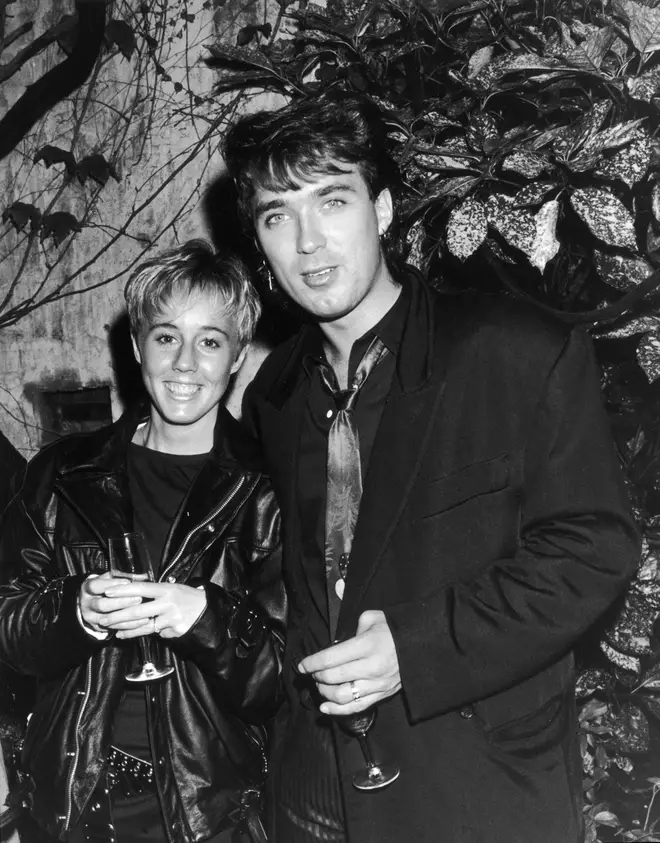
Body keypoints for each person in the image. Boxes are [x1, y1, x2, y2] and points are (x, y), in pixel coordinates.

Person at [222, 92, 640, 843]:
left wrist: (416, 650)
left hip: (475, 790)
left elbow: (592, 548)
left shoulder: (514, 351)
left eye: (333, 200)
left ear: (381, 211)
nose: (310, 243)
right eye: (278, 216)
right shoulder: (274, 395)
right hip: (311, 794)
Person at [0, 241, 286, 843]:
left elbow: (284, 679)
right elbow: (9, 631)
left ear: (236, 358)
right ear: (135, 348)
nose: (185, 362)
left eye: (210, 340)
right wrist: (76, 607)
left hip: (210, 812)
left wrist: (202, 616)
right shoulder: (61, 473)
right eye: (165, 337)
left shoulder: (271, 488)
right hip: (74, 806)